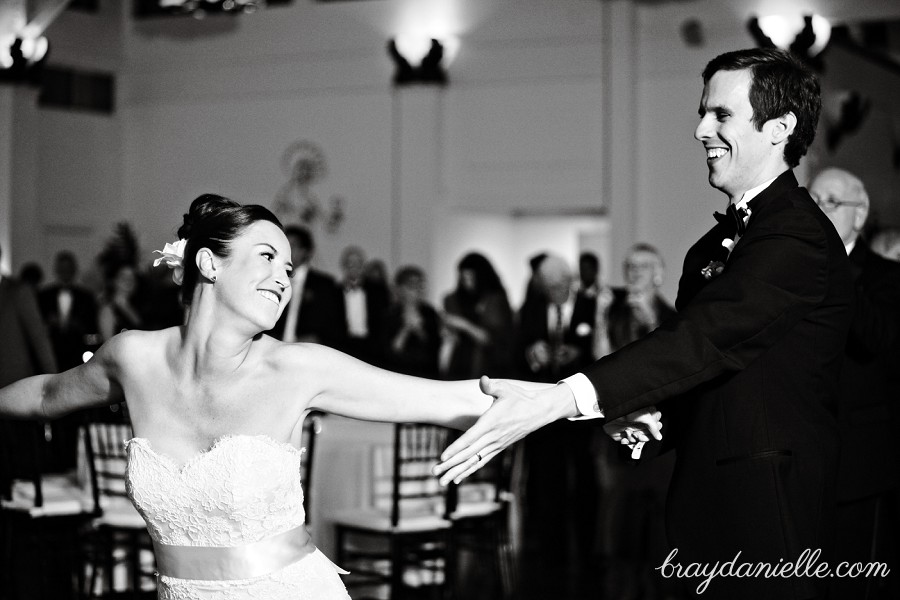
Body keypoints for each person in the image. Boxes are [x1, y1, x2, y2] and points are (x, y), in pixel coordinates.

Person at [436, 48, 853, 600]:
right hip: (707, 497)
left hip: (766, 506)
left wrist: (562, 398)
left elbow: (706, 338)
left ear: (779, 127)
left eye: (721, 115)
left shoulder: (797, 234)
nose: (701, 129)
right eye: (703, 112)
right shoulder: (712, 245)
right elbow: (720, 365)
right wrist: (653, 412)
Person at [0, 194, 513, 600]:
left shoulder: (298, 368)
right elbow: (47, 393)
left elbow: (442, 399)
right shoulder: (133, 358)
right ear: (209, 262)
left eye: (289, 269)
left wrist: (571, 397)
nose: (283, 280)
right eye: (268, 257)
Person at [808, 167, 900, 600]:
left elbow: (877, 340)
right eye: (813, 202)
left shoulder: (886, 276)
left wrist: (833, 266)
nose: (819, 212)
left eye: (830, 202)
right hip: (802, 457)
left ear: (859, 215)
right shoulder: (794, 274)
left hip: (859, 461)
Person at [514, 254, 599, 571]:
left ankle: (587, 548)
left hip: (582, 409)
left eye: (559, 286)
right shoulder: (533, 309)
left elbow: (600, 351)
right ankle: (549, 549)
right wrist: (532, 352)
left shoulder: (589, 307)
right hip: (544, 407)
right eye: (548, 288)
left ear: (570, 282)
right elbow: (517, 350)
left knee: (583, 477)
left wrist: (577, 353)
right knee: (546, 479)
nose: (555, 292)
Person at [440, 252, 515, 379]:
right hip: (460, 367)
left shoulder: (494, 300)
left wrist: (463, 324)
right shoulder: (454, 299)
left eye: (471, 278)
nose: (467, 284)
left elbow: (491, 339)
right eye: (464, 279)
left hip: (488, 369)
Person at [269, 225, 343, 347]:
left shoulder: (324, 285)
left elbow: (334, 327)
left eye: (292, 245)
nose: (286, 250)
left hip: (310, 351)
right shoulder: (272, 280)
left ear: (305, 251)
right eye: (284, 245)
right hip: (274, 349)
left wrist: (315, 338)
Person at [39, 251, 100, 369]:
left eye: (68, 268)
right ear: (56, 270)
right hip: (51, 353)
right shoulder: (44, 295)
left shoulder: (86, 297)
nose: (65, 271)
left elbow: (93, 328)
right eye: (62, 268)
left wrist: (79, 326)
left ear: (74, 270)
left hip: (78, 355)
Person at [380, 265, 441, 378]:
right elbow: (388, 352)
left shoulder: (429, 312)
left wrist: (419, 331)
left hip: (426, 375)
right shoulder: (390, 314)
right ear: (400, 289)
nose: (417, 290)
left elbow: (434, 347)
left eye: (420, 286)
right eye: (412, 286)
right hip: (398, 374)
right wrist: (406, 329)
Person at [336, 245, 389, 364]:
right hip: (343, 347)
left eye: (358, 263)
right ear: (343, 266)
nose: (354, 266)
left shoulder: (378, 291)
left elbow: (384, 320)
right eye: (350, 263)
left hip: (371, 347)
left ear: (363, 266)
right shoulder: (334, 292)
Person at [98, 263, 144, 341]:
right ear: (114, 280)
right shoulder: (108, 310)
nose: (129, 280)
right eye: (123, 276)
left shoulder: (138, 306)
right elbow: (108, 343)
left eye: (132, 277)